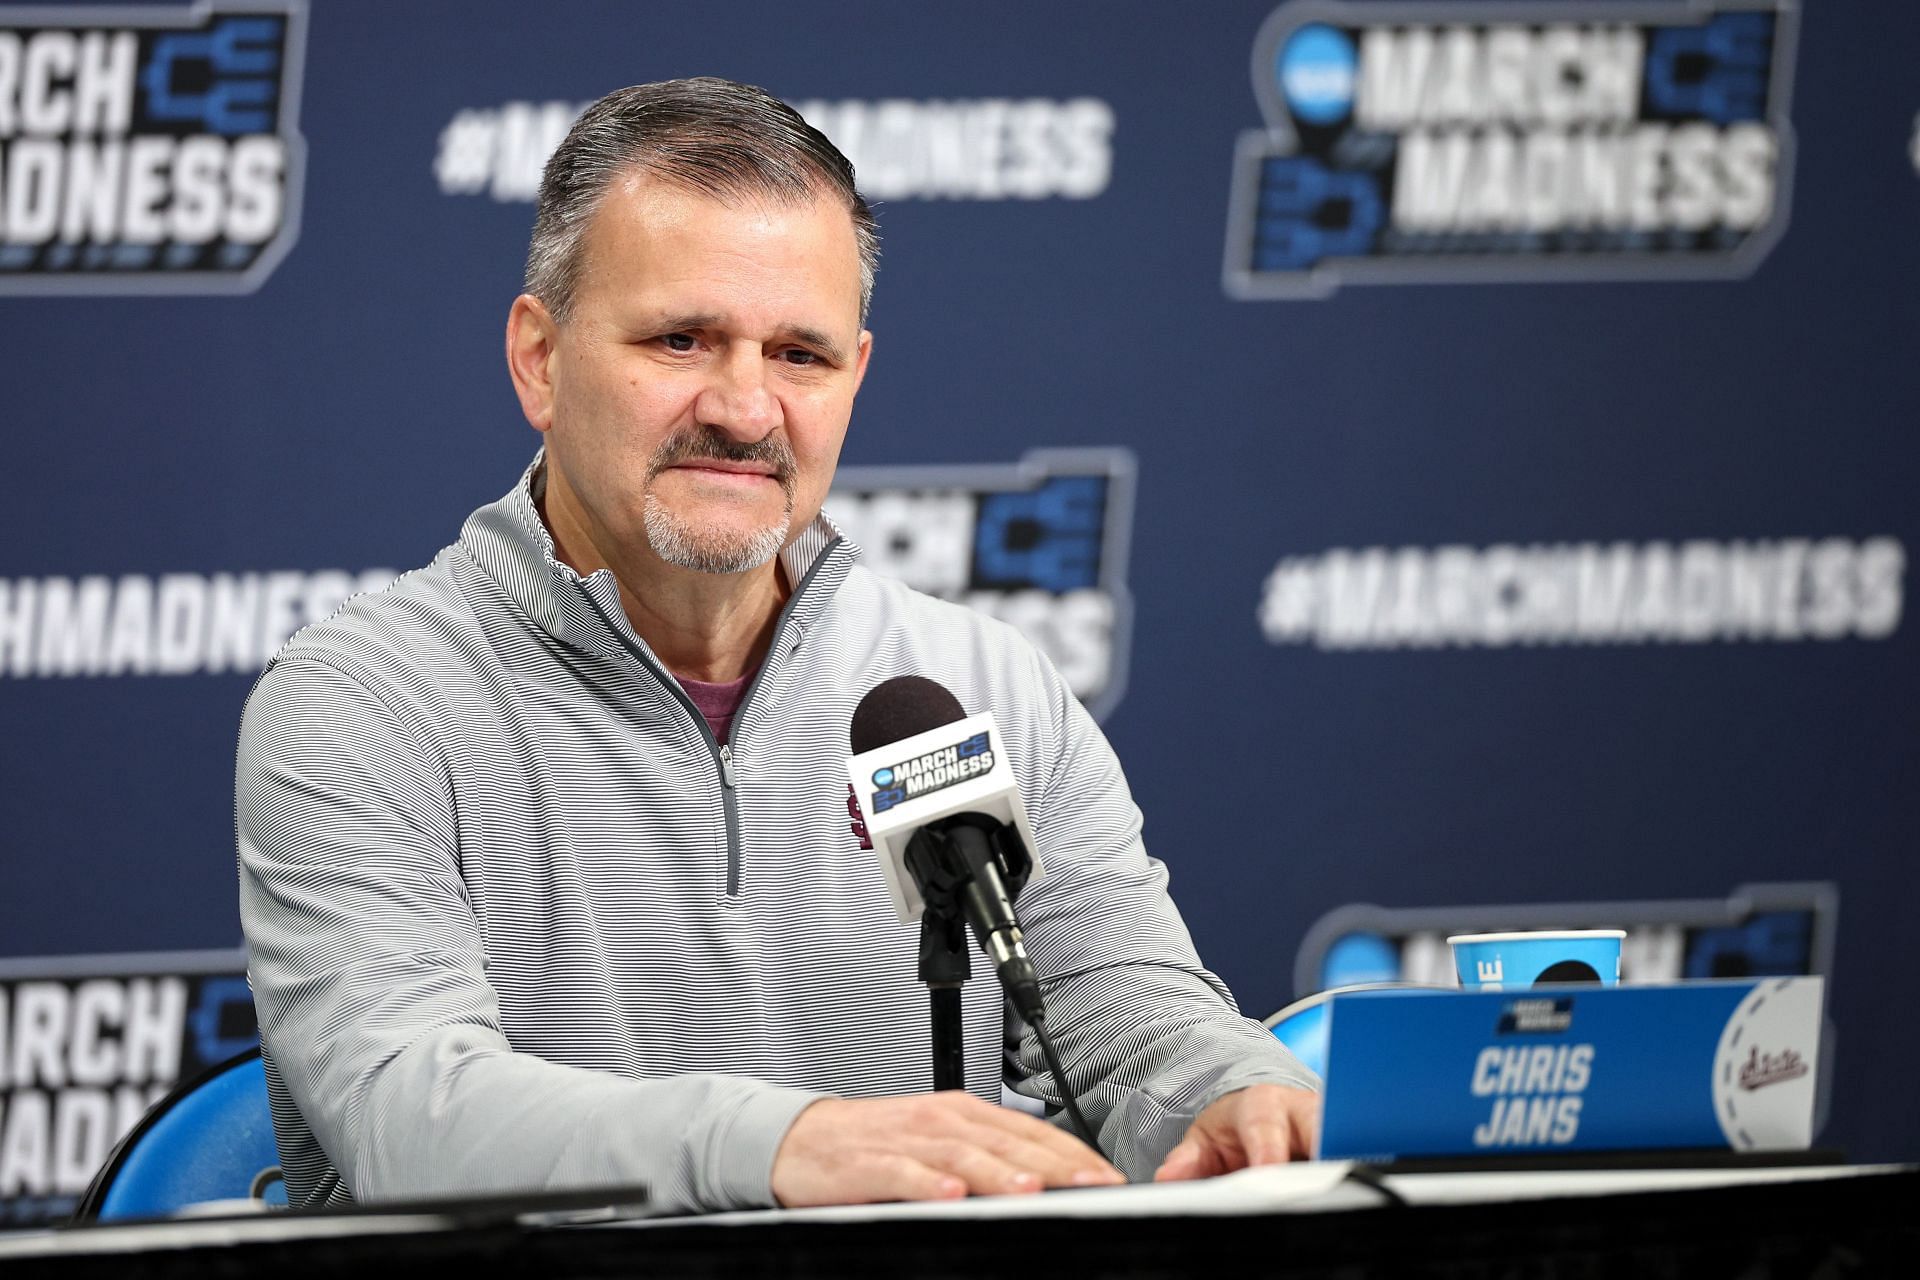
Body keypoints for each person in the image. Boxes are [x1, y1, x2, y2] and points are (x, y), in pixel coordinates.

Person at [236, 76, 1318, 1216]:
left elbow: (1128, 1018)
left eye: (798, 354)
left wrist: (1228, 1090)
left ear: (855, 375)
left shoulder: (973, 683)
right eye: (681, 338)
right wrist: (784, 1145)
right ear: (540, 361)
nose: (746, 408)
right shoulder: (363, 704)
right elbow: (410, 1116)